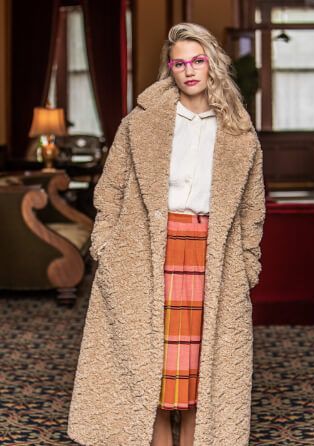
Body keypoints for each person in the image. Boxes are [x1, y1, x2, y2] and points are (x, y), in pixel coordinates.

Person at [67, 22, 265, 445]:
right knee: (150, 359)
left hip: (212, 254)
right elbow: (112, 188)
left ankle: (195, 439)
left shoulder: (238, 131)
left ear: (212, 63)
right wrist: (105, 243)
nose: (190, 70)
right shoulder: (140, 124)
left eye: (197, 60)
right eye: (180, 63)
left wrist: (248, 261)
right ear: (170, 69)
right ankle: (156, 438)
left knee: (199, 362)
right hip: (145, 250)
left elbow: (252, 206)